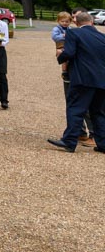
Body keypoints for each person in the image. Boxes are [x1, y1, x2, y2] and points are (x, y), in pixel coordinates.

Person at [48, 11, 105, 153]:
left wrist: (60, 56)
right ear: (91, 22)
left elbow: (69, 53)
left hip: (83, 79)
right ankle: (103, 144)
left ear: (76, 23)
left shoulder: (74, 33)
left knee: (75, 109)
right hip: (102, 80)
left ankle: (69, 141)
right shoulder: (102, 37)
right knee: (99, 112)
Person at [52, 12, 90, 142]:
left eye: (74, 18)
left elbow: (68, 52)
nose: (73, 20)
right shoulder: (68, 31)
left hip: (81, 75)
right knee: (73, 103)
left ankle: (91, 135)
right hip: (71, 72)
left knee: (83, 105)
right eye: (73, 17)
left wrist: (61, 57)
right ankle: (80, 132)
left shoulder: (77, 33)